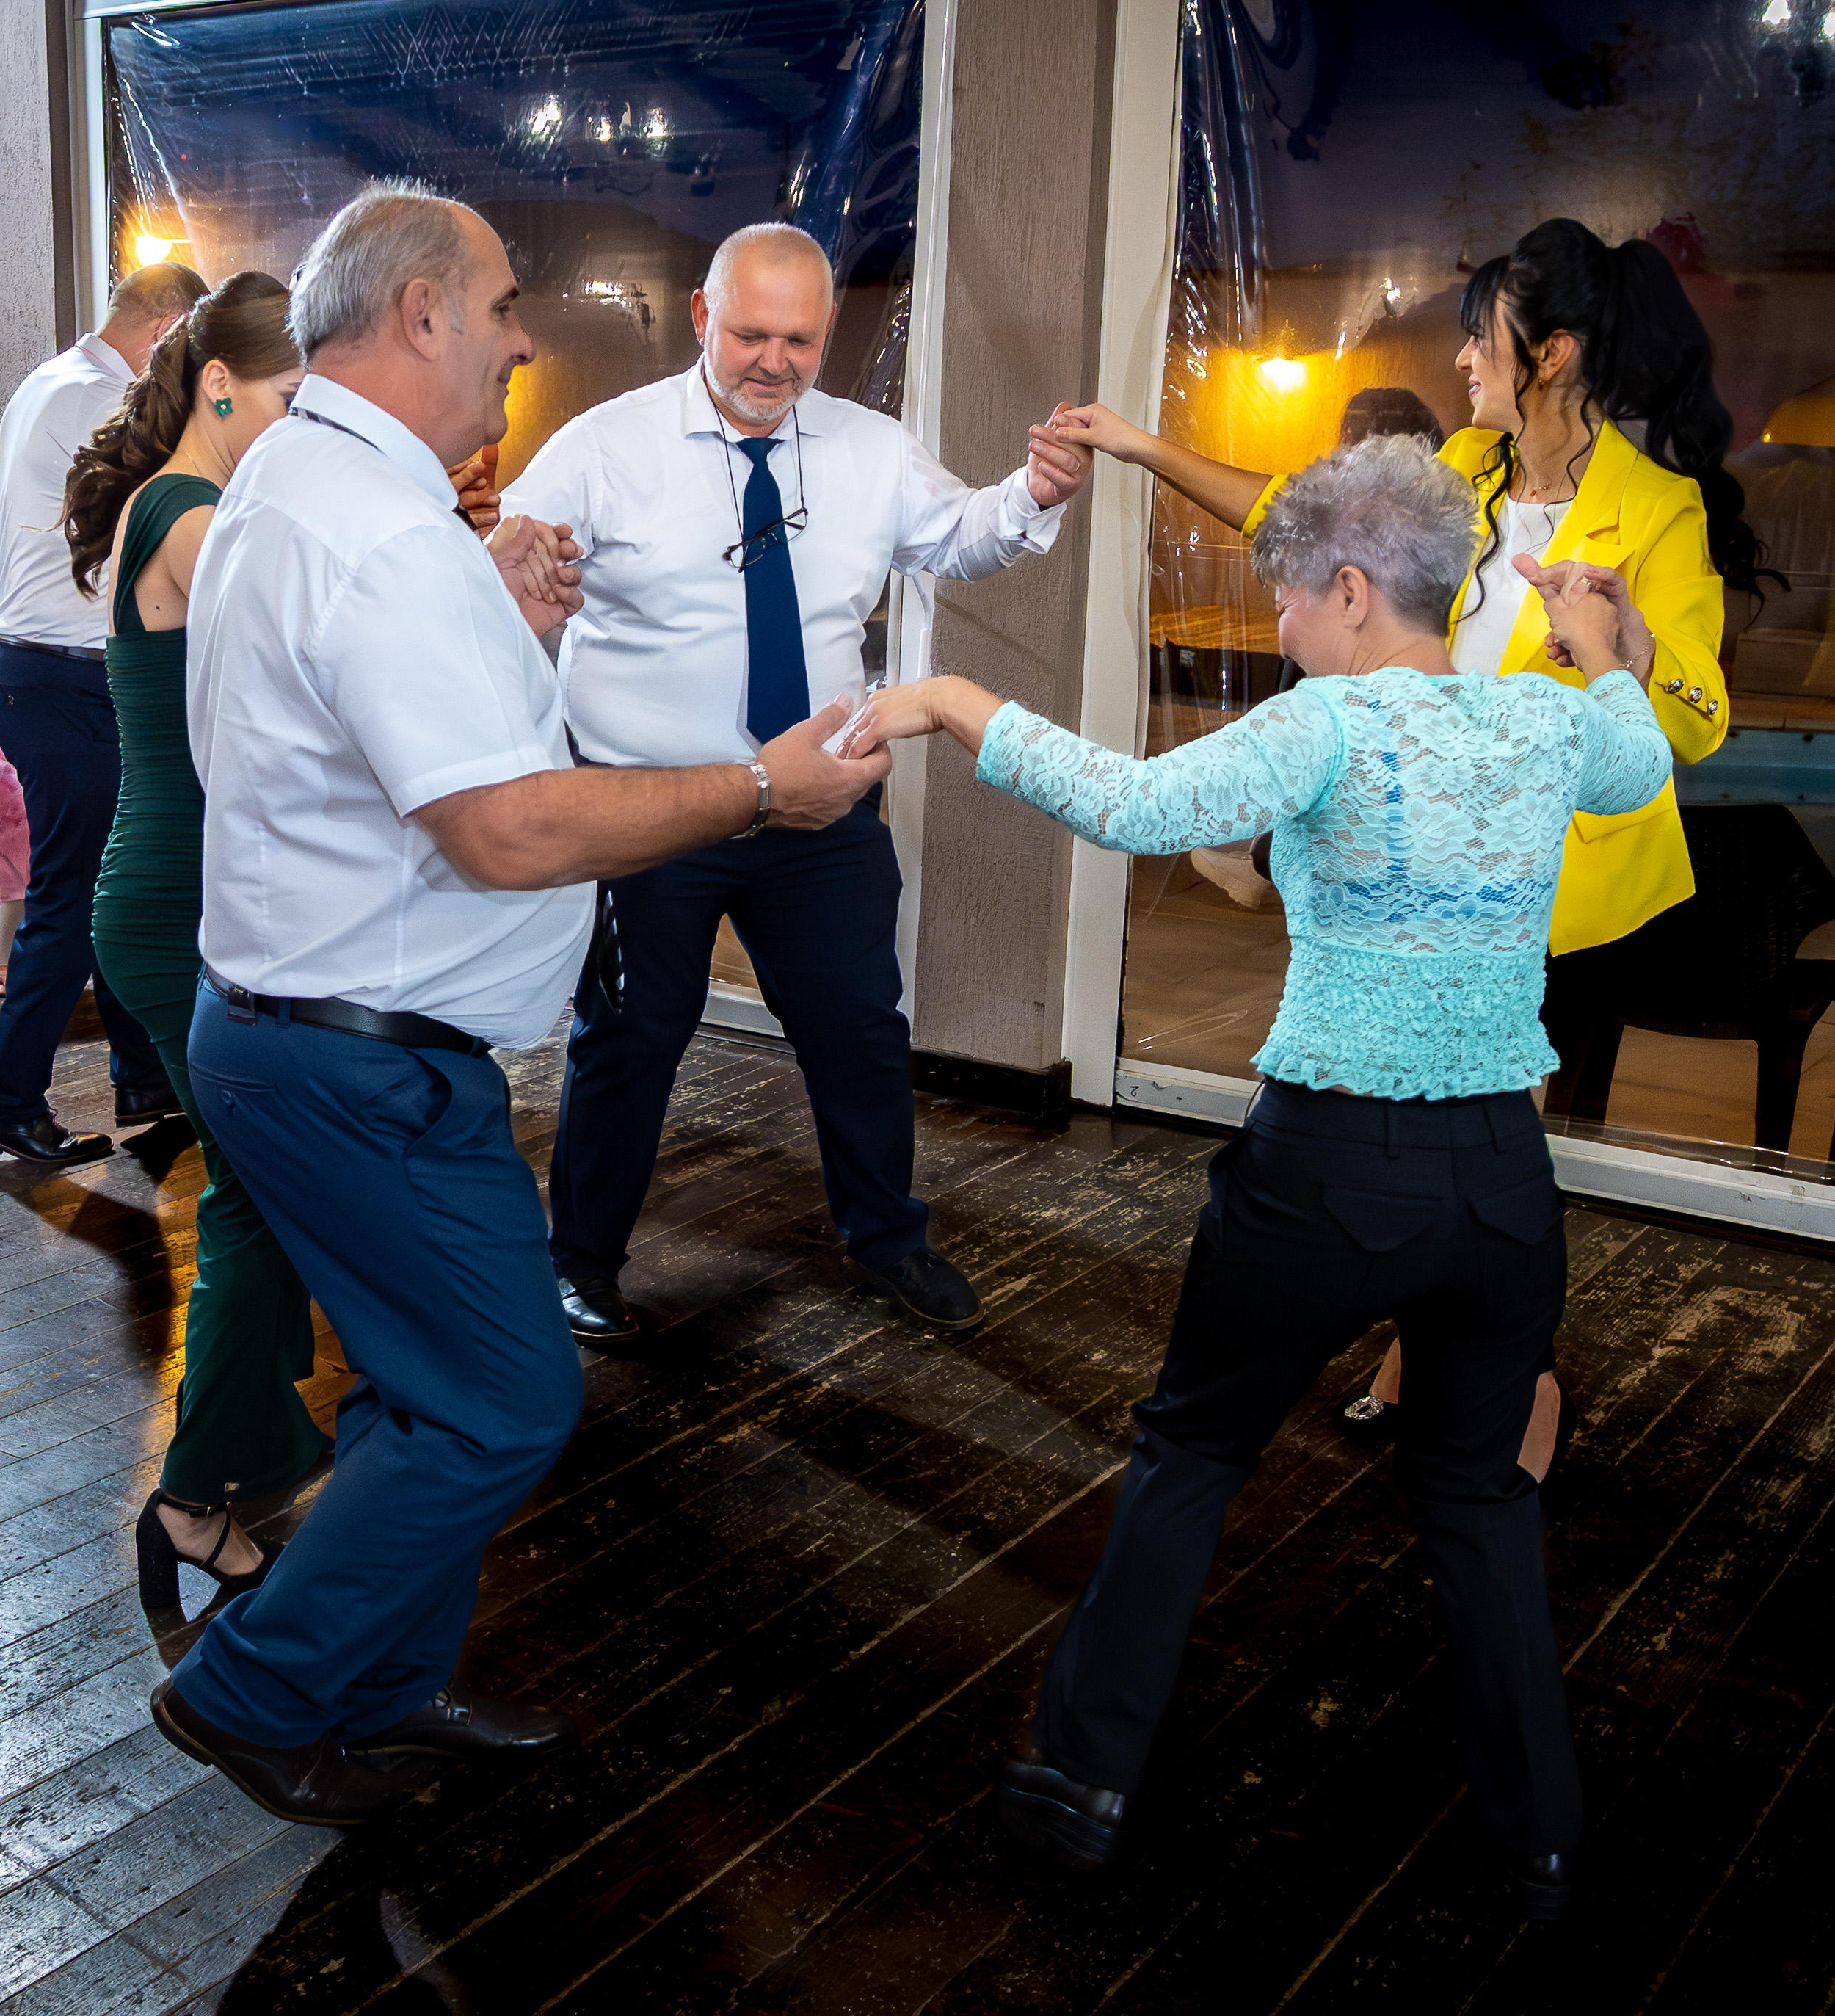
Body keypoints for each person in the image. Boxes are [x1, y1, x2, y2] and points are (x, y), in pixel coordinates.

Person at [835, 437, 1671, 1915]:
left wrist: (952, 701)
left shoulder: (1325, 723)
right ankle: (1540, 1837)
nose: (1277, 624)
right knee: (1476, 1498)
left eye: (1285, 596)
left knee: (1192, 1453)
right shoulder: (1545, 721)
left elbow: (1131, 806)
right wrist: (1599, 639)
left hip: (1327, 1174)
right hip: (1500, 1184)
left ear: (1348, 590)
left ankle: (1081, 1782)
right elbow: (1640, 751)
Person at [145, 181, 889, 1827]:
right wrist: (756, 790)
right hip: (358, 1067)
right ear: (418, 313)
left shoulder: (304, 484)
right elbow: (500, 831)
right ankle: (252, 1687)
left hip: (315, 1039)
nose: (517, 342)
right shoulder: (381, 532)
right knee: (504, 1399)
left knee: (425, 1387)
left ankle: (383, 1683)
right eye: (495, 309)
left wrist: (515, 630)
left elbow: (407, 747)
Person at [1045, 217, 1764, 1441]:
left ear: (1550, 354)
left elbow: (1697, 722)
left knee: (1496, 1147)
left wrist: (1633, 653)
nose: (1463, 359)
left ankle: (1515, 1392)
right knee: (1447, 1143)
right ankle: (1439, 1361)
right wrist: (1142, 447)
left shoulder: (1658, 510)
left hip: (1558, 887)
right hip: (1421, 860)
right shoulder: (1467, 467)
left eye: (1483, 336)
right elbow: (1295, 516)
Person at [500, 222, 1086, 1342]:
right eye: (751, 335)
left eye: (800, 341)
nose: (775, 361)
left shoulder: (869, 447)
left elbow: (957, 538)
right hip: (654, 813)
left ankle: (888, 1240)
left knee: (860, 1029)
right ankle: (580, 1262)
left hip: (819, 805)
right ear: (702, 319)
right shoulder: (606, 446)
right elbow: (513, 559)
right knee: (629, 1039)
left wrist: (1034, 493)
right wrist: (509, 551)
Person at [54, 273, 329, 1620]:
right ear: (220, 384)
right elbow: (315, 656)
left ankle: (259, 1440)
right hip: (178, 905)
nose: (300, 426)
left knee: (262, 1185)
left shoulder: (184, 501)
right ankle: (194, 1499)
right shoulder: (198, 518)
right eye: (289, 399)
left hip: (186, 893)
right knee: (257, 1197)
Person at [0, 260, 212, 1169]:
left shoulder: (49, 381)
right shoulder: (99, 398)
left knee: (110, 883)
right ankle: (5, 1100)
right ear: (167, 328)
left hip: (42, 672)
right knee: (71, 900)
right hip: (63, 676)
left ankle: (143, 1078)